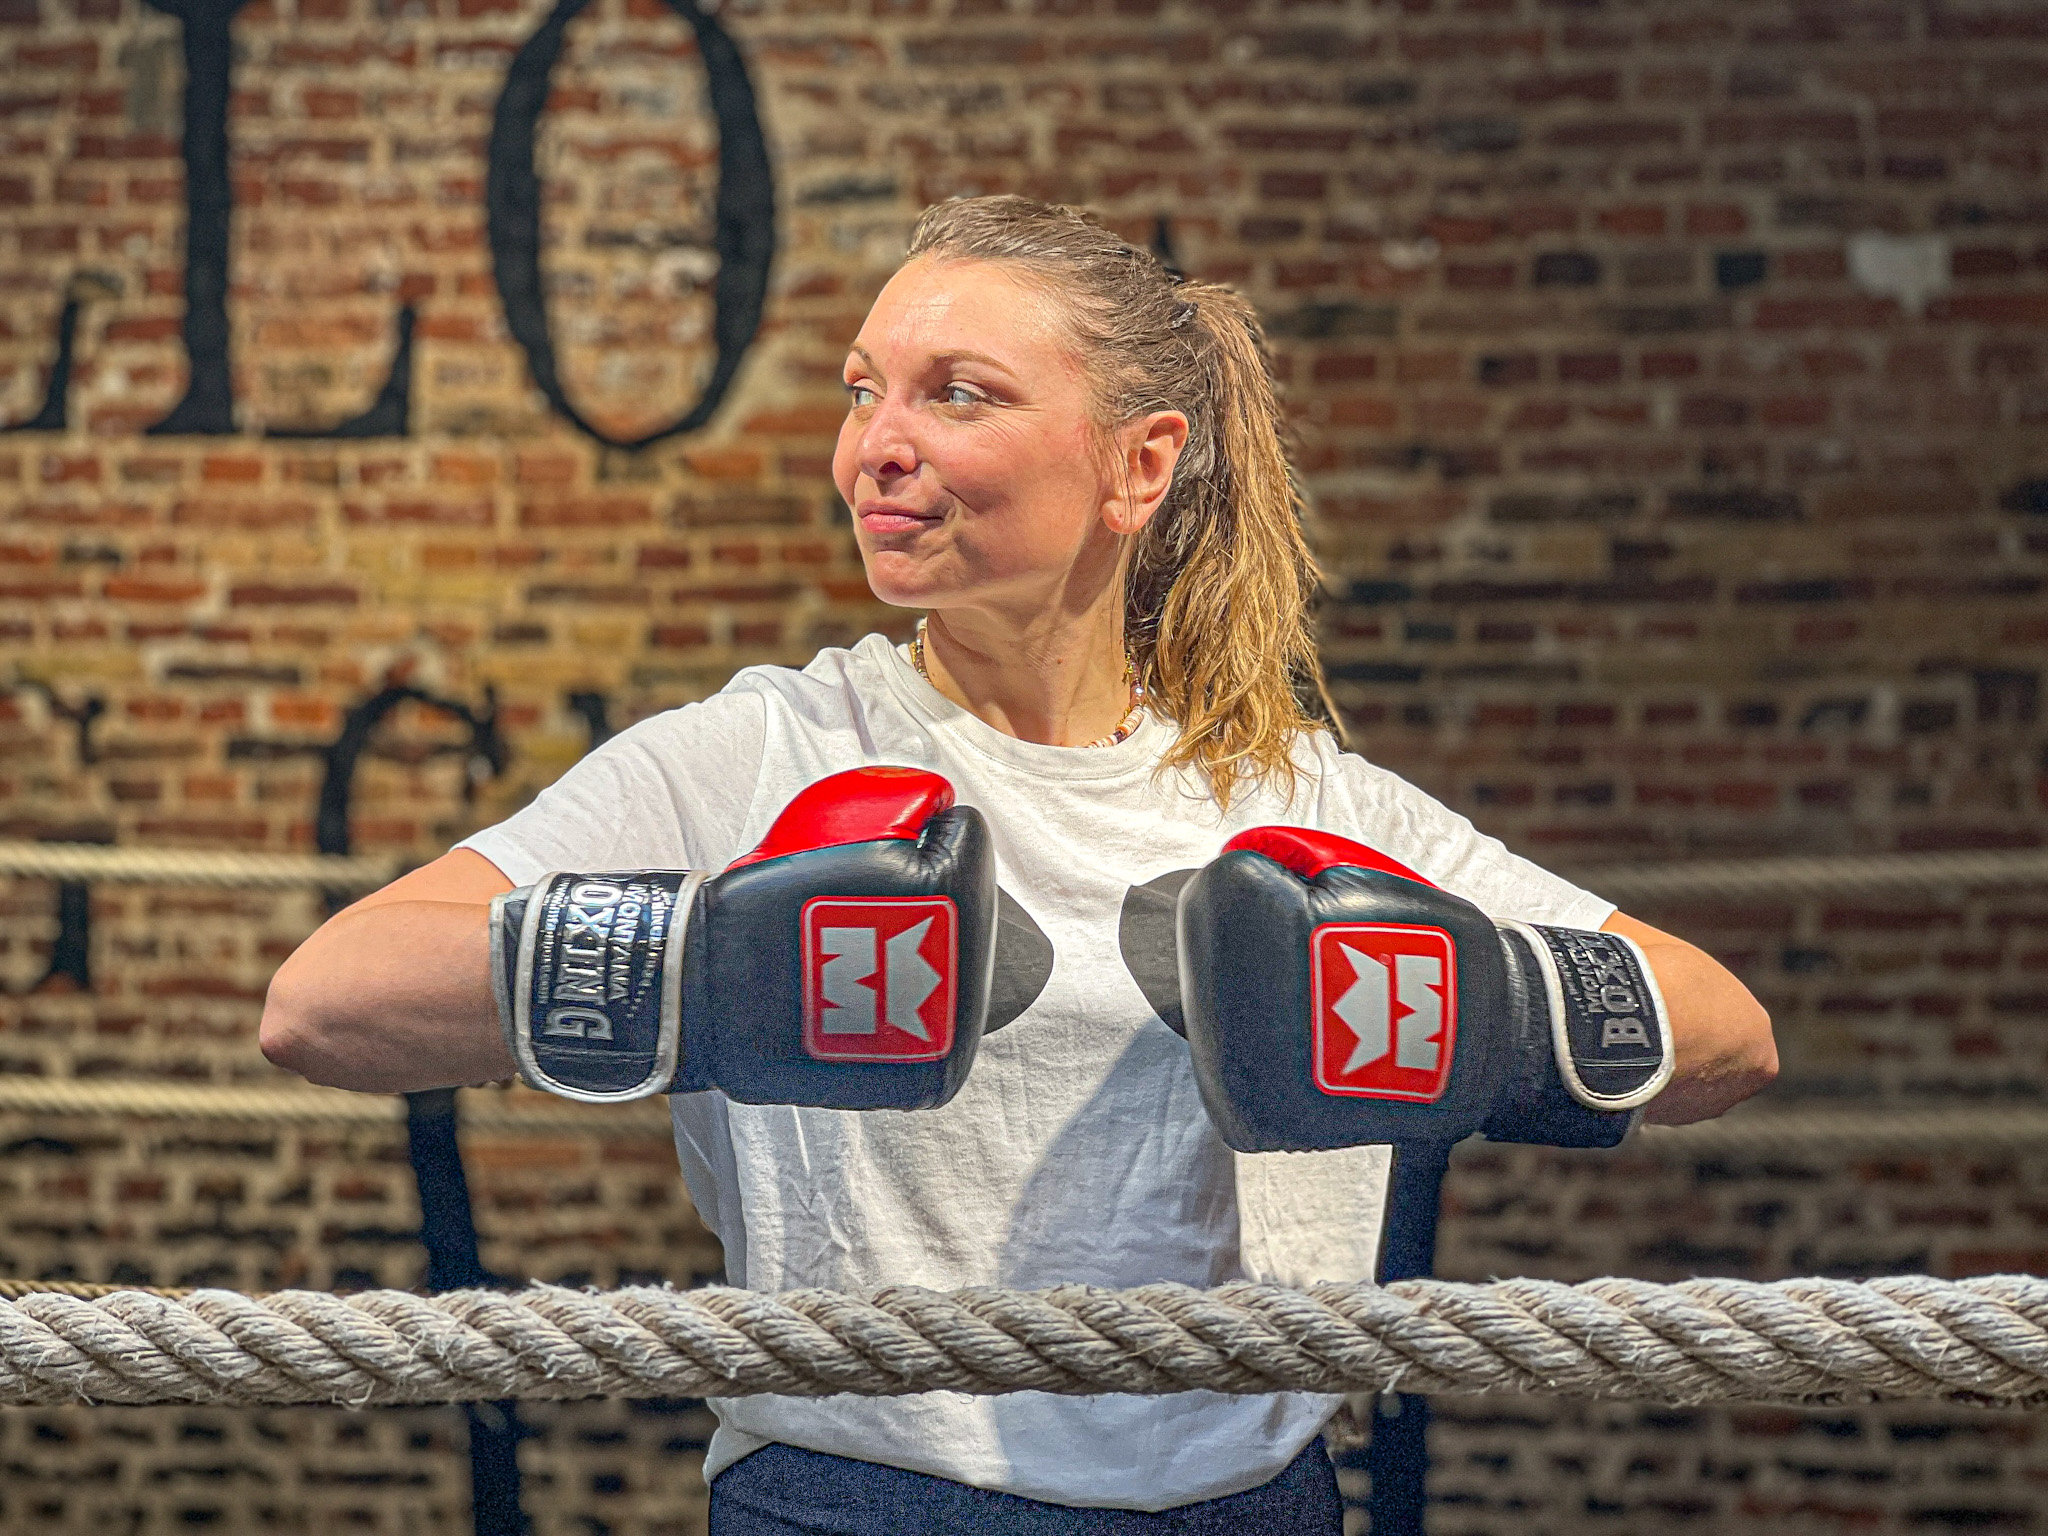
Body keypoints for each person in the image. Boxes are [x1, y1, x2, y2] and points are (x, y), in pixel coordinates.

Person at [261, 195, 1777, 1533]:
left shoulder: (1285, 789)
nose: (877, 445)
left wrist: (1476, 1019)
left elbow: (1721, 1028)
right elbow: (327, 1001)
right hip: (855, 1495)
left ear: (1139, 465)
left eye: (957, 394)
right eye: (864, 392)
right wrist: (710, 967)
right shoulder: (770, 751)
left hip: (1251, 1507)